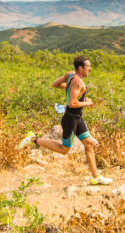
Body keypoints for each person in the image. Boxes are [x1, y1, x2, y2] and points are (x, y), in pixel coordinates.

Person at [19, 55, 113, 185]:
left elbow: (55, 84)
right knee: (64, 149)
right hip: (71, 119)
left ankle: (96, 177)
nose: (90, 68)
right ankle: (33, 139)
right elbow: (72, 103)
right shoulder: (78, 81)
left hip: (77, 118)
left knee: (89, 144)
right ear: (80, 68)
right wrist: (87, 103)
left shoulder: (70, 75)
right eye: (88, 66)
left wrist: (70, 88)